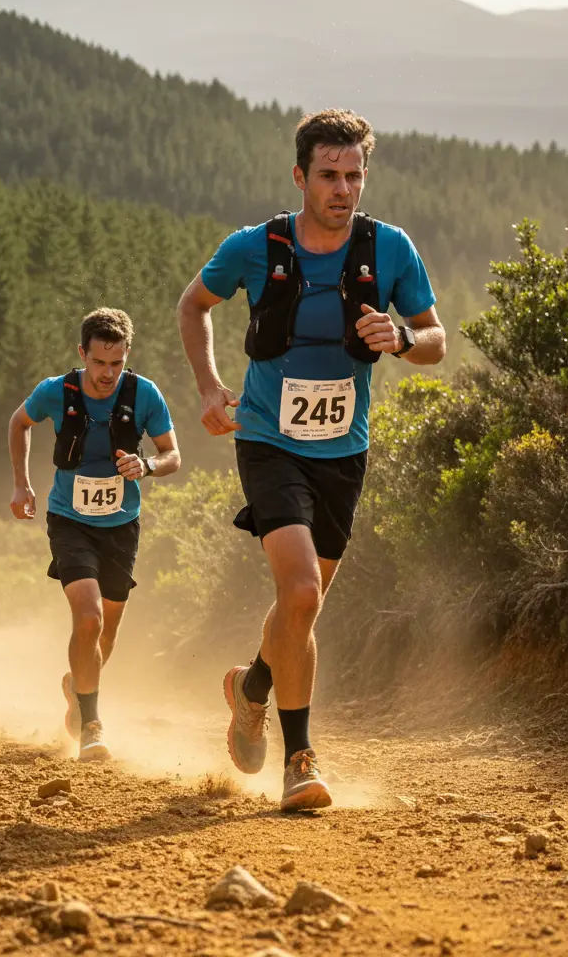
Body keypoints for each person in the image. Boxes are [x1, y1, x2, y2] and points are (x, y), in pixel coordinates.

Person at [177, 109, 446, 811]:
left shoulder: (389, 249)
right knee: (299, 594)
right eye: (328, 174)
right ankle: (300, 759)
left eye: (354, 174)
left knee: (303, 606)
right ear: (301, 176)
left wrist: (401, 339)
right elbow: (193, 306)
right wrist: (209, 387)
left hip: (343, 452)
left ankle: (251, 686)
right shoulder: (254, 246)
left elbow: (435, 340)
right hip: (268, 439)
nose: (343, 188)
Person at [8, 308, 180, 761]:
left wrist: (146, 466)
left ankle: (76, 686)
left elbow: (171, 454)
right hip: (69, 519)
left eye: (116, 363)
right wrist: (22, 484)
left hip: (122, 524)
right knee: (89, 618)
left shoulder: (145, 394)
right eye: (99, 362)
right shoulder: (56, 392)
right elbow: (18, 423)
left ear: (127, 357)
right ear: (82, 353)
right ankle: (92, 723)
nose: (107, 374)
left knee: (105, 635)